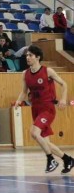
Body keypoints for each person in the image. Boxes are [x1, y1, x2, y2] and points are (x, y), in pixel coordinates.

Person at [13, 45, 73, 174]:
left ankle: (50, 159)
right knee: (45, 142)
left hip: (48, 108)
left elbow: (64, 84)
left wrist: (63, 99)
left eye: (30, 55)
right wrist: (18, 101)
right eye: (27, 55)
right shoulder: (25, 74)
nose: (27, 57)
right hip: (35, 109)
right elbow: (24, 92)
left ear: (37, 57)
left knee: (34, 133)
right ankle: (68, 160)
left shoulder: (48, 71)